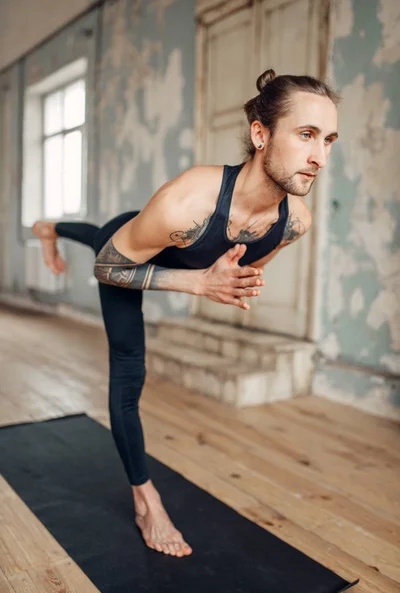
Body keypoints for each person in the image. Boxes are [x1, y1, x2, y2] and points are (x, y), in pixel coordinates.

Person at [32, 68, 339, 558]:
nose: (319, 156)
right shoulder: (187, 200)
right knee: (129, 364)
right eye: (306, 135)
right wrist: (196, 282)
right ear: (260, 135)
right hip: (127, 253)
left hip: (160, 245)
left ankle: (48, 226)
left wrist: (223, 279)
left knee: (97, 233)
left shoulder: (294, 222)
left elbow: (236, 268)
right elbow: (108, 268)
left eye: (328, 140)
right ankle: (145, 498)